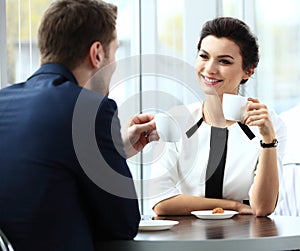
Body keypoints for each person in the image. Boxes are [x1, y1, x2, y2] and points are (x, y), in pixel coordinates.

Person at [0, 1, 158, 250]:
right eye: (114, 52)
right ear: (97, 54)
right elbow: (123, 225)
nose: (115, 64)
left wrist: (114, 152)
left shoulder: (3, 101)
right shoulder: (89, 110)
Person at [149, 17, 286, 217]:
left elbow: (262, 208)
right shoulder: (177, 119)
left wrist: (268, 141)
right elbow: (161, 201)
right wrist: (235, 206)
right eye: (204, 56)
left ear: (248, 71)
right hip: (187, 241)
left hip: (249, 240)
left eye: (224, 61)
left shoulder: (269, 124)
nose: (210, 69)